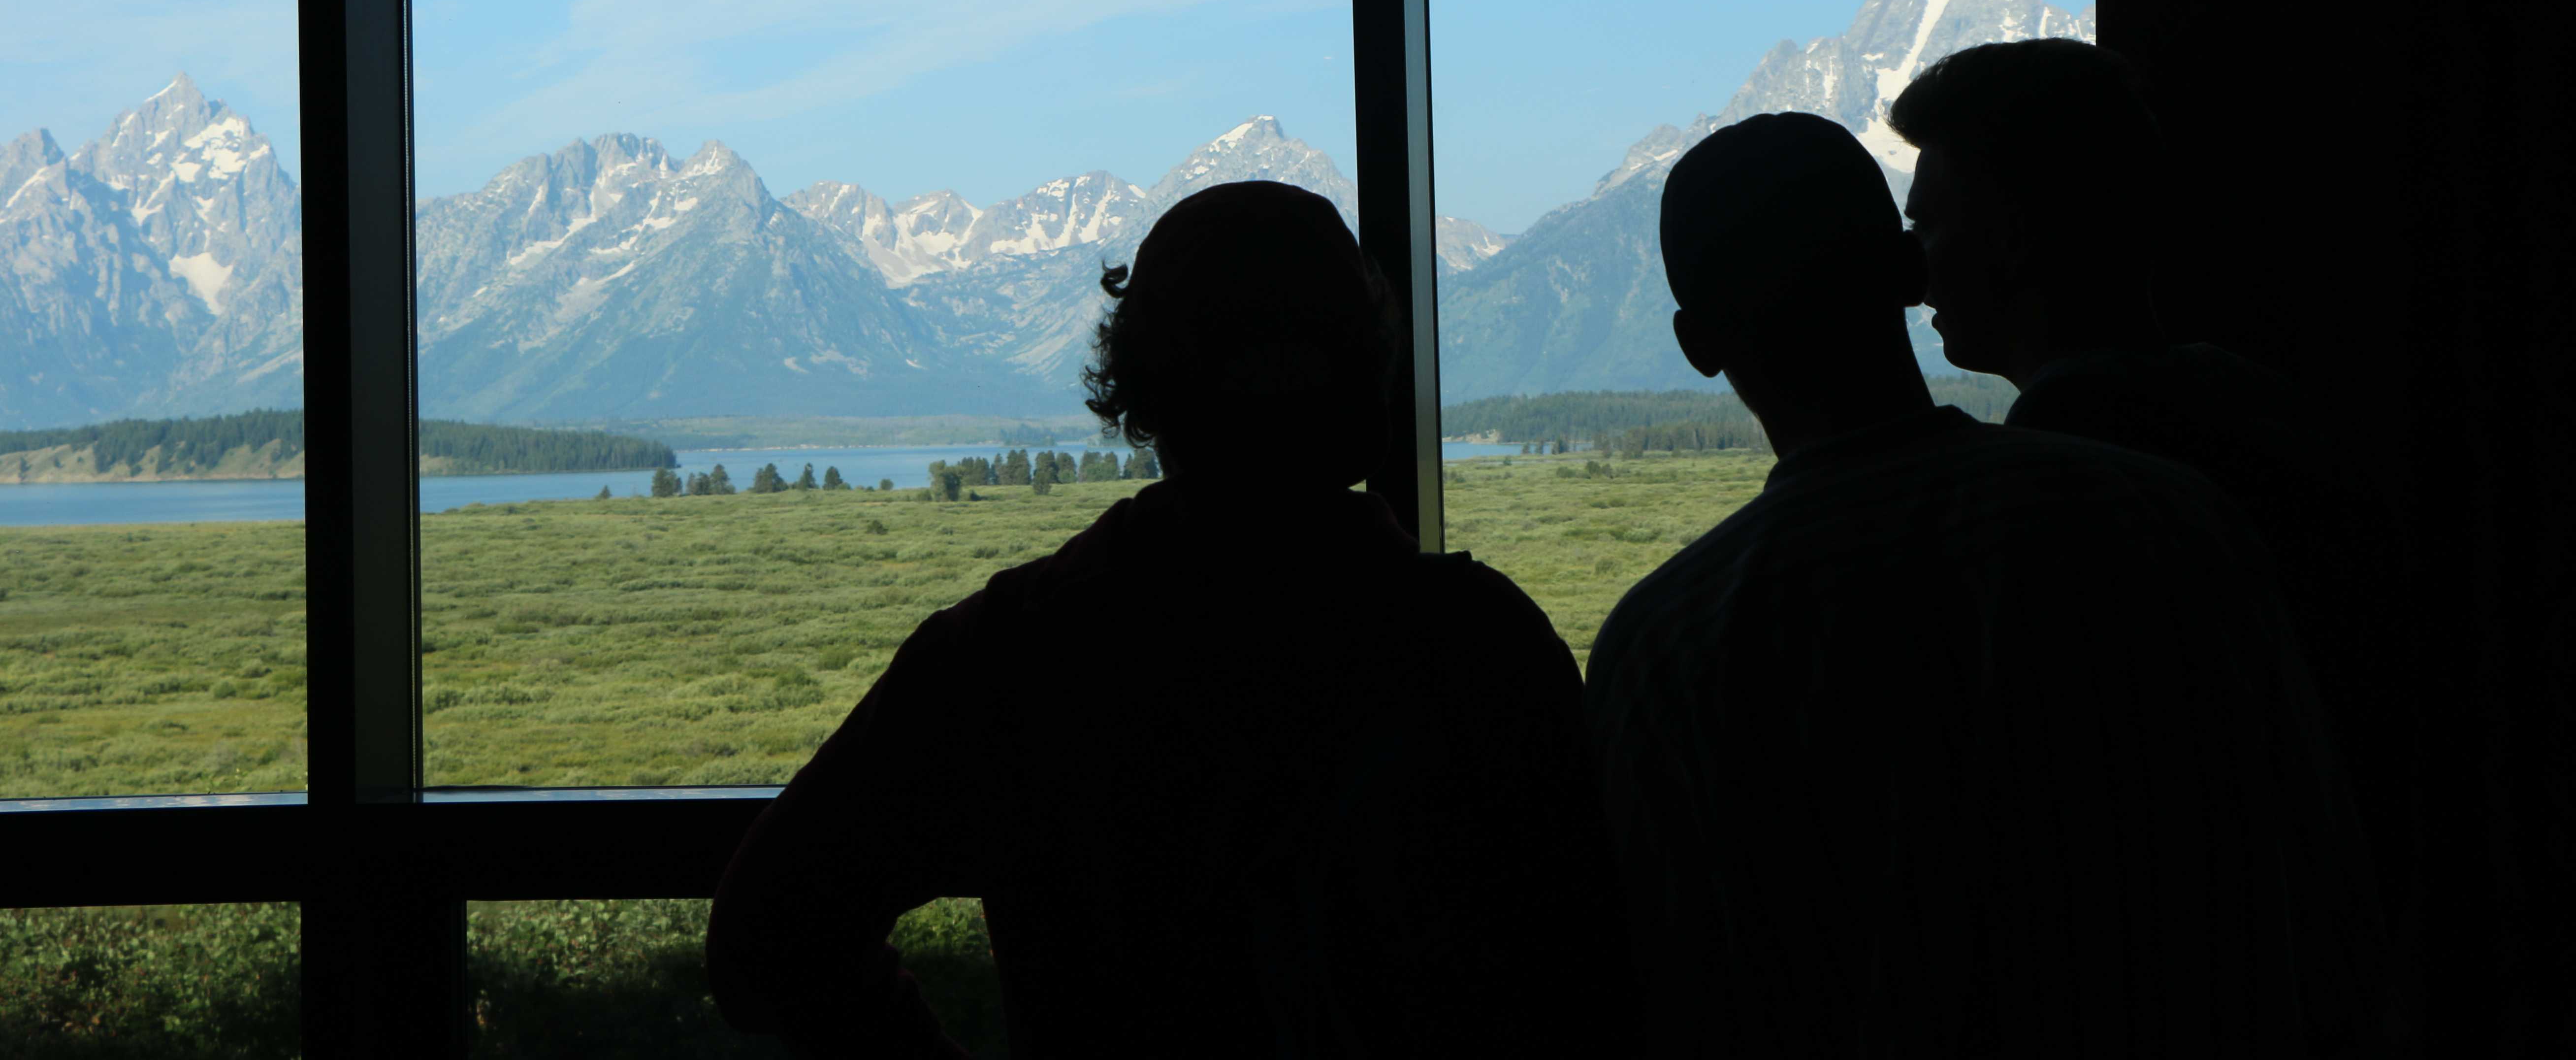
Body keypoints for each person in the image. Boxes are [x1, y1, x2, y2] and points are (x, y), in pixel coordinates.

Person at [708, 181, 1632, 1058]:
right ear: (1374, 390)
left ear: (1141, 397)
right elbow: (1592, 986)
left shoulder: (1010, 652)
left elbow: (766, 938)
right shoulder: (1482, 652)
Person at [1587, 112, 2384, 1058]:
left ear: (1697, 343)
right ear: (1908, 273)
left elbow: (1674, 994)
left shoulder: (1662, 645)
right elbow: (2324, 883)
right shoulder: (2171, 518)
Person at [1890, 37, 2415, 932]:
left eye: (1931, 228)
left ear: (2014, 237)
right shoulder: (2257, 409)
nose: (1913, 274)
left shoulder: (2064, 477)